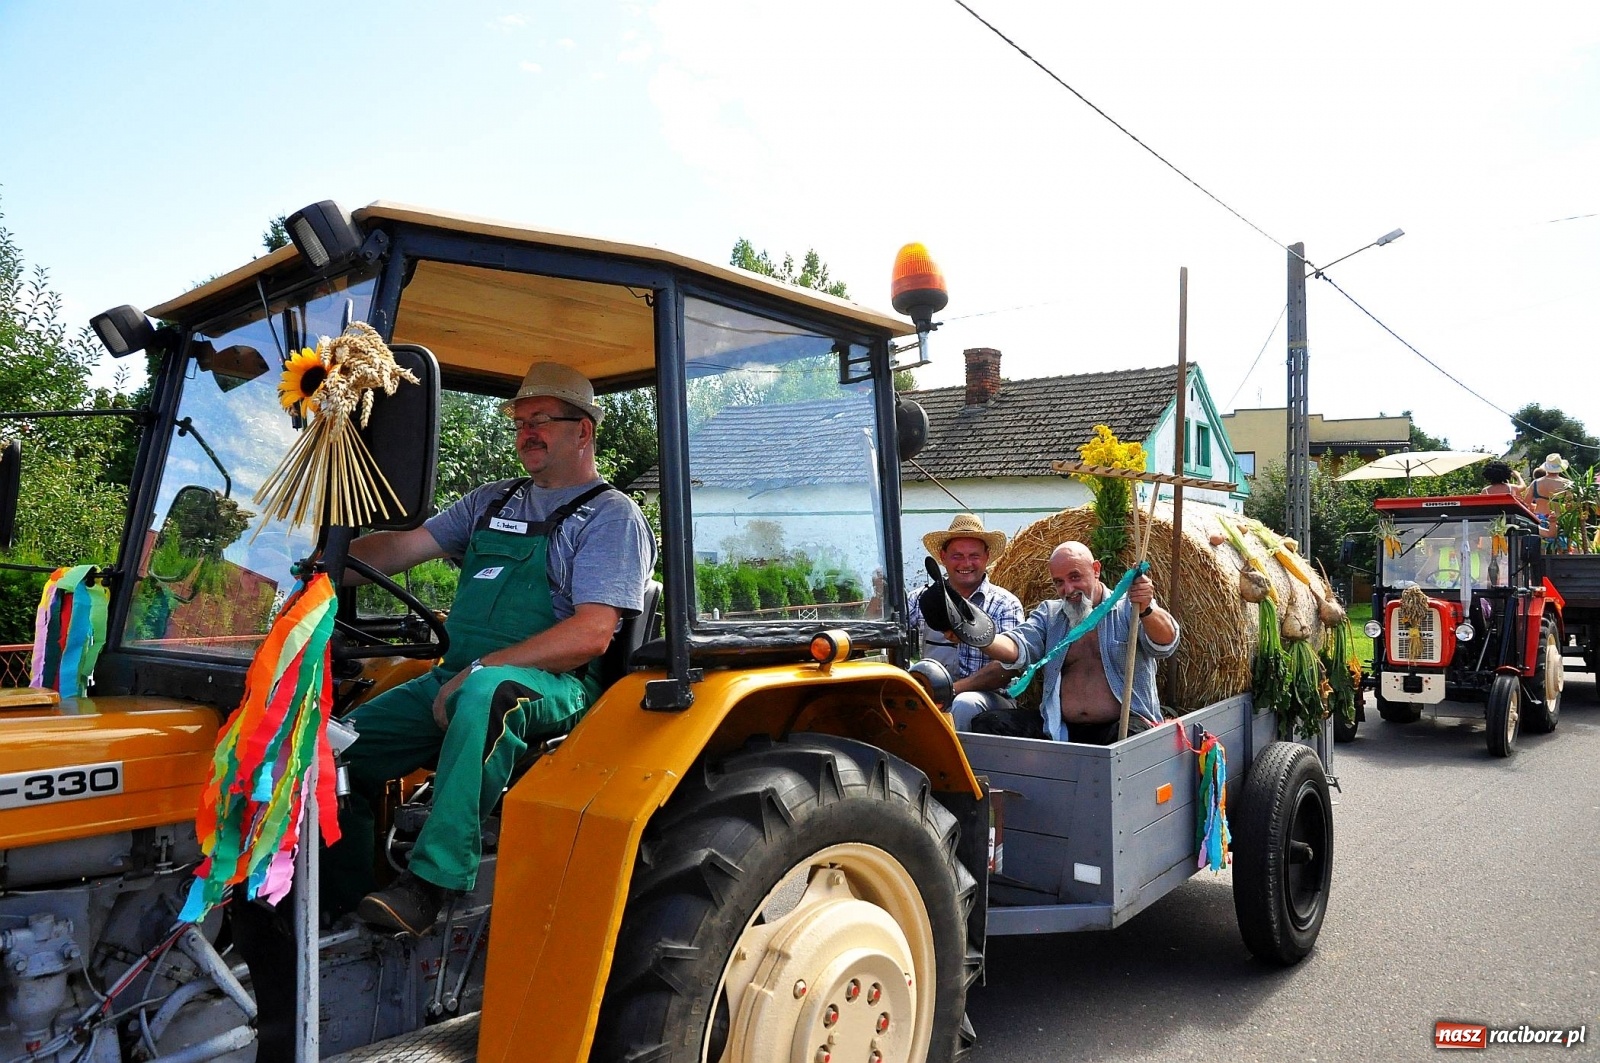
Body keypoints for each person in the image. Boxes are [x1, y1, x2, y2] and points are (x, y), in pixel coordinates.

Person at [326, 361, 655, 935]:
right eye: (520, 421)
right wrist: (322, 565)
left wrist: (479, 668)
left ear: (583, 430)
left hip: (555, 686)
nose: (527, 432)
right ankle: (340, 903)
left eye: (541, 420)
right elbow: (402, 548)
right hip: (457, 676)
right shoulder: (493, 500)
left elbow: (590, 634)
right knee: (334, 752)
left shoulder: (610, 517)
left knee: (486, 693)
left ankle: (432, 882)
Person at [956, 541, 1179, 744]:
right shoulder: (1050, 615)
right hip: (1059, 729)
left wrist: (1147, 609)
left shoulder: (1129, 608)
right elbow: (1017, 646)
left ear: (1096, 570)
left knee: (1132, 738)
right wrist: (978, 635)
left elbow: (1166, 643)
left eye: (1075, 577)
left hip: (1121, 727)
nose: (1068, 589)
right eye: (1059, 582)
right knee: (989, 723)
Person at [907, 514, 1024, 730]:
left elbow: (1007, 669)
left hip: (990, 700)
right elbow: (892, 636)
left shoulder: (1005, 604)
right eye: (957, 556)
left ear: (987, 557)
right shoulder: (919, 599)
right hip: (930, 696)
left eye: (974, 556)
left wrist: (950, 690)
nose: (966, 563)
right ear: (943, 557)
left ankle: (955, 754)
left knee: (963, 704)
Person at [1522, 454, 1573, 550]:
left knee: (1540, 551)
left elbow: (1525, 504)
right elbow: (1569, 506)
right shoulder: (1567, 484)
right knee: (1561, 551)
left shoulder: (1536, 483)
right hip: (1559, 519)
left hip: (1539, 520)